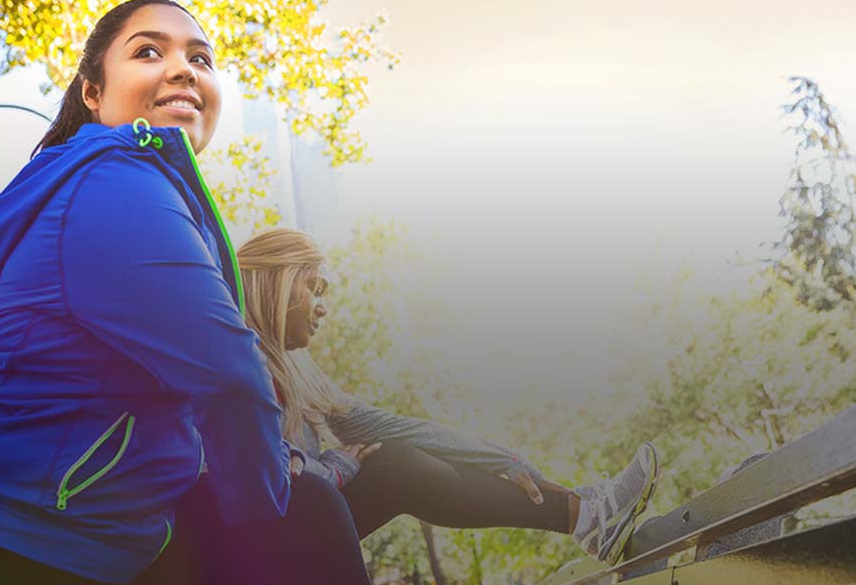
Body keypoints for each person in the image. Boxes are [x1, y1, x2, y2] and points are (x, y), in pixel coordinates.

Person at [0, 0, 377, 585]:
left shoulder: (128, 184)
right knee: (306, 512)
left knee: (297, 504)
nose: (185, 68)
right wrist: (272, 499)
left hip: (85, 551)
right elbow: (229, 376)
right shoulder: (115, 184)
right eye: (148, 51)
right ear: (93, 93)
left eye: (200, 58)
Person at [235, 228, 660, 563]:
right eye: (315, 288)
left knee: (397, 457)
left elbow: (397, 428)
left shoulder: (300, 372)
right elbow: (274, 476)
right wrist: (337, 466)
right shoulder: (236, 359)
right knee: (393, 468)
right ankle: (584, 517)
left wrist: (503, 459)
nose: (323, 308)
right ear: (278, 280)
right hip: (255, 539)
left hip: (296, 524)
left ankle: (583, 513)